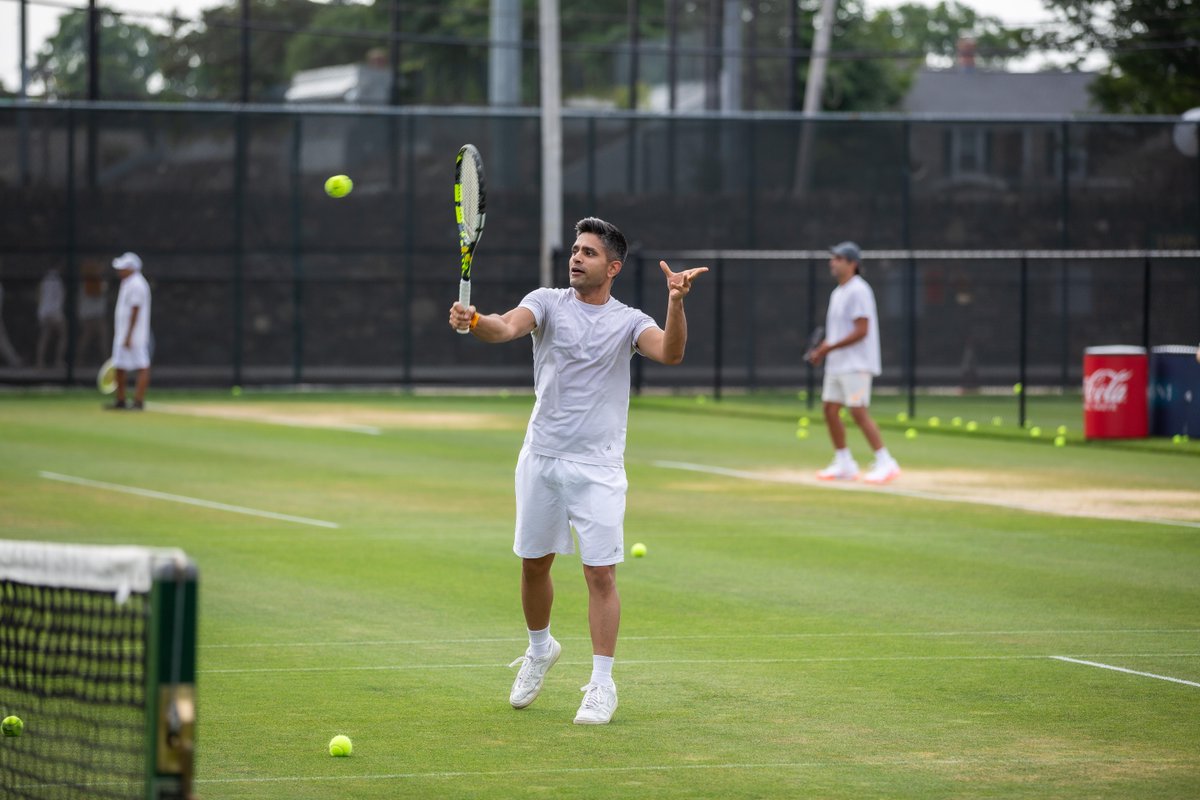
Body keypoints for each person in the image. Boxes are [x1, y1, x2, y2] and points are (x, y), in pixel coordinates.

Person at [448, 217, 707, 725]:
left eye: (588, 253)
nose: (575, 258)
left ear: (612, 267)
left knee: (600, 574)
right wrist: (475, 320)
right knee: (533, 564)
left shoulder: (630, 320)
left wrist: (675, 302)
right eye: (575, 249)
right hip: (541, 457)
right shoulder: (545, 301)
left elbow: (671, 353)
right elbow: (505, 326)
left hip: (599, 466)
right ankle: (539, 649)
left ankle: (602, 684)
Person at [806, 241, 900, 484]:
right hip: (838, 364)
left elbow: (862, 330)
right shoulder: (838, 293)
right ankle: (844, 463)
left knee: (858, 411)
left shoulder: (860, 290)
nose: (832, 262)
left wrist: (829, 347)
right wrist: (822, 351)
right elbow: (838, 332)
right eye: (833, 258)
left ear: (853, 264)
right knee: (829, 410)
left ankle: (885, 462)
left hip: (857, 364)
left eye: (838, 258)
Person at [108, 252, 152, 410]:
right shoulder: (127, 283)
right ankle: (121, 400)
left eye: (123, 267)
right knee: (119, 365)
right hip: (122, 333)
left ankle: (138, 401)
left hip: (135, 335)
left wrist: (129, 335)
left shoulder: (137, 284)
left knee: (142, 365)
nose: (120, 271)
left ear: (132, 268)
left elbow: (135, 310)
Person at [76, 259, 110, 366]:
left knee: (101, 337)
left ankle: (106, 363)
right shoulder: (91, 280)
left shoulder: (95, 280)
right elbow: (95, 294)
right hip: (91, 315)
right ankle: (79, 361)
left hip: (95, 314)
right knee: (88, 338)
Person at [35, 268, 67, 369]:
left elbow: (38, 295)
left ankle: (40, 362)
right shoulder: (58, 280)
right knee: (64, 335)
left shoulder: (44, 280)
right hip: (55, 312)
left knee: (45, 337)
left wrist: (41, 311)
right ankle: (58, 361)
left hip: (44, 312)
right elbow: (62, 297)